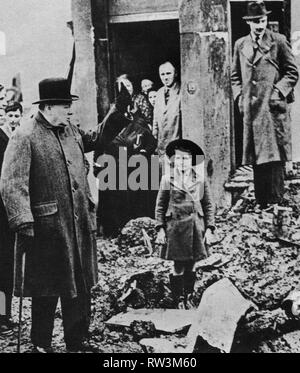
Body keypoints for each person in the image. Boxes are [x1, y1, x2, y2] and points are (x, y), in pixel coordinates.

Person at [0, 77, 100, 353]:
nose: (69, 110)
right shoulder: (25, 135)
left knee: (79, 284)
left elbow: (94, 141)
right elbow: (11, 183)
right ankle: (41, 343)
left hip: (77, 222)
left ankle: (76, 341)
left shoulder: (69, 130)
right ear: (47, 106)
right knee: (47, 288)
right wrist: (22, 220)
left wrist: (118, 111)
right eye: (65, 105)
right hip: (45, 228)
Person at [231, 1, 299, 209]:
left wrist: (278, 91)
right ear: (248, 23)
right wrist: (239, 98)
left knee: (274, 156)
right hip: (252, 110)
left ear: (266, 20)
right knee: (257, 157)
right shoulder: (240, 45)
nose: (259, 25)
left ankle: (275, 204)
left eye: (262, 20)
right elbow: (234, 76)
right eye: (255, 22)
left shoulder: (278, 41)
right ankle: (262, 203)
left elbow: (292, 72)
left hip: (272, 109)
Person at [155, 139, 215, 309]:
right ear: (174, 161)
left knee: (193, 263)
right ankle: (178, 299)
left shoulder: (201, 180)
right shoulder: (167, 180)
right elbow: (160, 205)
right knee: (178, 265)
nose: (182, 163)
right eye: (179, 159)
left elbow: (209, 205)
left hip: (196, 227)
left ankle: (189, 296)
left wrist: (210, 229)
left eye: (186, 159)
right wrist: (160, 229)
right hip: (175, 228)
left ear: (192, 161)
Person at [153, 61, 181, 162]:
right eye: (162, 74)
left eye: (169, 73)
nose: (165, 77)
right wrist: (155, 131)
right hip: (162, 144)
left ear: (176, 74)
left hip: (177, 144)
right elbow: (156, 115)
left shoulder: (182, 92)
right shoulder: (159, 93)